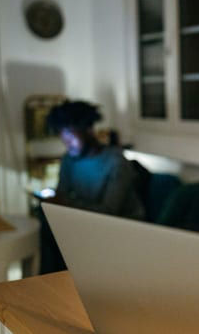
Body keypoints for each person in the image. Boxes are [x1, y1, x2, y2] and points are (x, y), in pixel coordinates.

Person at [37, 100, 146, 273]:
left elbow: (109, 212)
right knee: (46, 221)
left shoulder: (115, 162)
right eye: (64, 141)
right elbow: (62, 194)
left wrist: (65, 204)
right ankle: (48, 283)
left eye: (71, 138)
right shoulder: (69, 160)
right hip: (84, 224)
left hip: (119, 229)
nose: (68, 145)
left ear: (88, 131)